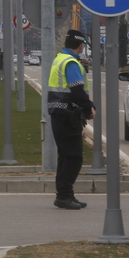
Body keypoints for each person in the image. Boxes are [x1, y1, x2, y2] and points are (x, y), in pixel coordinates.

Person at [47, 28, 96, 210]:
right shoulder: (71, 63)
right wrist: (89, 108)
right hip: (67, 115)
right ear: (81, 45)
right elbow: (77, 91)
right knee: (74, 157)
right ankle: (64, 196)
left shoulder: (60, 58)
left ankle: (65, 195)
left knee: (66, 157)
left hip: (59, 114)